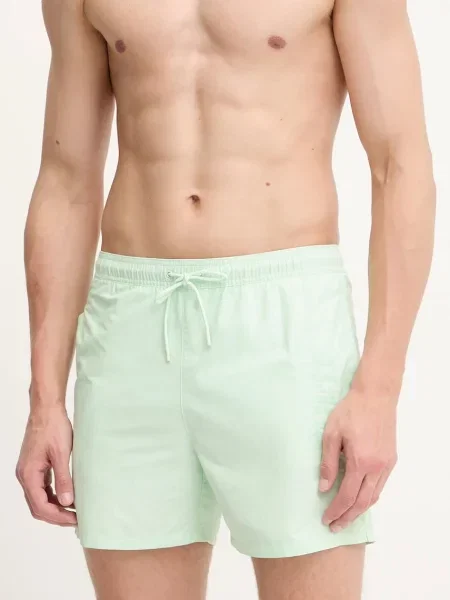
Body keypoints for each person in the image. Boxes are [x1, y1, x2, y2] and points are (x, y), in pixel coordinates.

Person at [16, 0, 435, 598]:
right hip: (130, 328)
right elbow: (65, 179)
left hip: (285, 322)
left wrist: (379, 389)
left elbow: (400, 164)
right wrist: (45, 401)